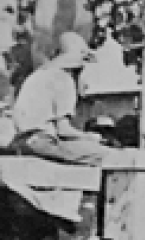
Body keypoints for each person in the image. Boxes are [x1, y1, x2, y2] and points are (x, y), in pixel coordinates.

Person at [8, 32, 116, 166]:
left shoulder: (38, 75)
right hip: (41, 142)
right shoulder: (64, 79)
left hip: (20, 142)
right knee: (107, 155)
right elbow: (63, 130)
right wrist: (90, 137)